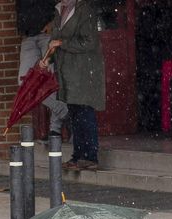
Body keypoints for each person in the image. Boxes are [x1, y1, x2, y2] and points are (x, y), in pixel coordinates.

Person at [46, 0, 105, 171]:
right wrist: (47, 58)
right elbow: (54, 40)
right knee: (75, 111)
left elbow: (89, 41)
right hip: (68, 71)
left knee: (84, 110)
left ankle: (89, 155)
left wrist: (63, 44)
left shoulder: (84, 9)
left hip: (83, 70)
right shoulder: (60, 10)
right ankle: (79, 155)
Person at [16, 0, 68, 139]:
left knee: (50, 79)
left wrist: (54, 24)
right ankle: (61, 109)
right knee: (24, 82)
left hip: (47, 35)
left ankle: (55, 129)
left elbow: (62, 5)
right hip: (28, 36)